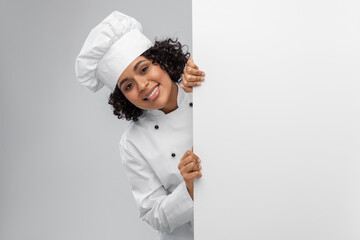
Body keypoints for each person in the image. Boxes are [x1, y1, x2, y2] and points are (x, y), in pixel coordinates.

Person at [75, 11, 205, 240]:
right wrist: (188, 189)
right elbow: (154, 215)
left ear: (161, 60)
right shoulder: (132, 142)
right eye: (128, 86)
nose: (143, 86)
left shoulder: (200, 89)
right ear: (123, 97)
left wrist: (208, 81)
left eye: (144, 69)